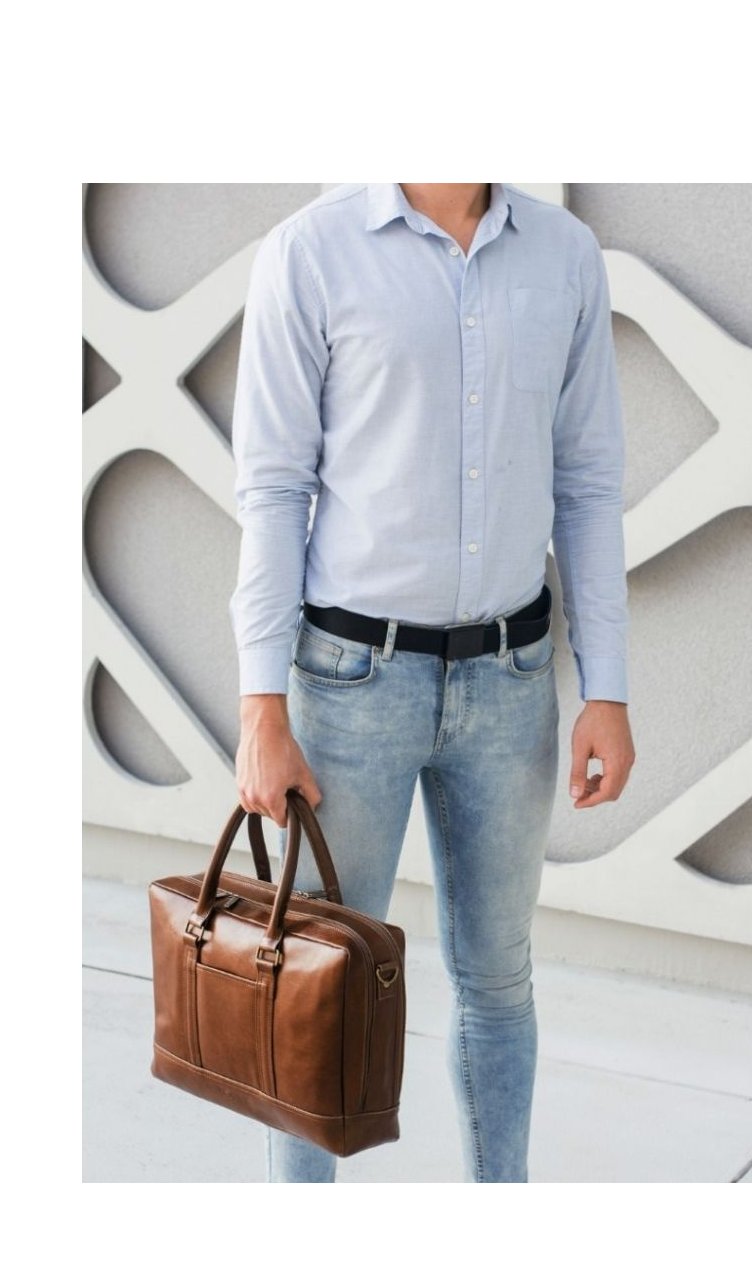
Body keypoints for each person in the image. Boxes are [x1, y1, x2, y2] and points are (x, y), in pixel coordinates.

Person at [229, 182, 635, 1183]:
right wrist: (260, 706)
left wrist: (608, 688)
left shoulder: (566, 254)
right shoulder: (310, 252)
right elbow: (274, 487)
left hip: (512, 680)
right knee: (317, 983)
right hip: (350, 684)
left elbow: (587, 481)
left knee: (499, 982)